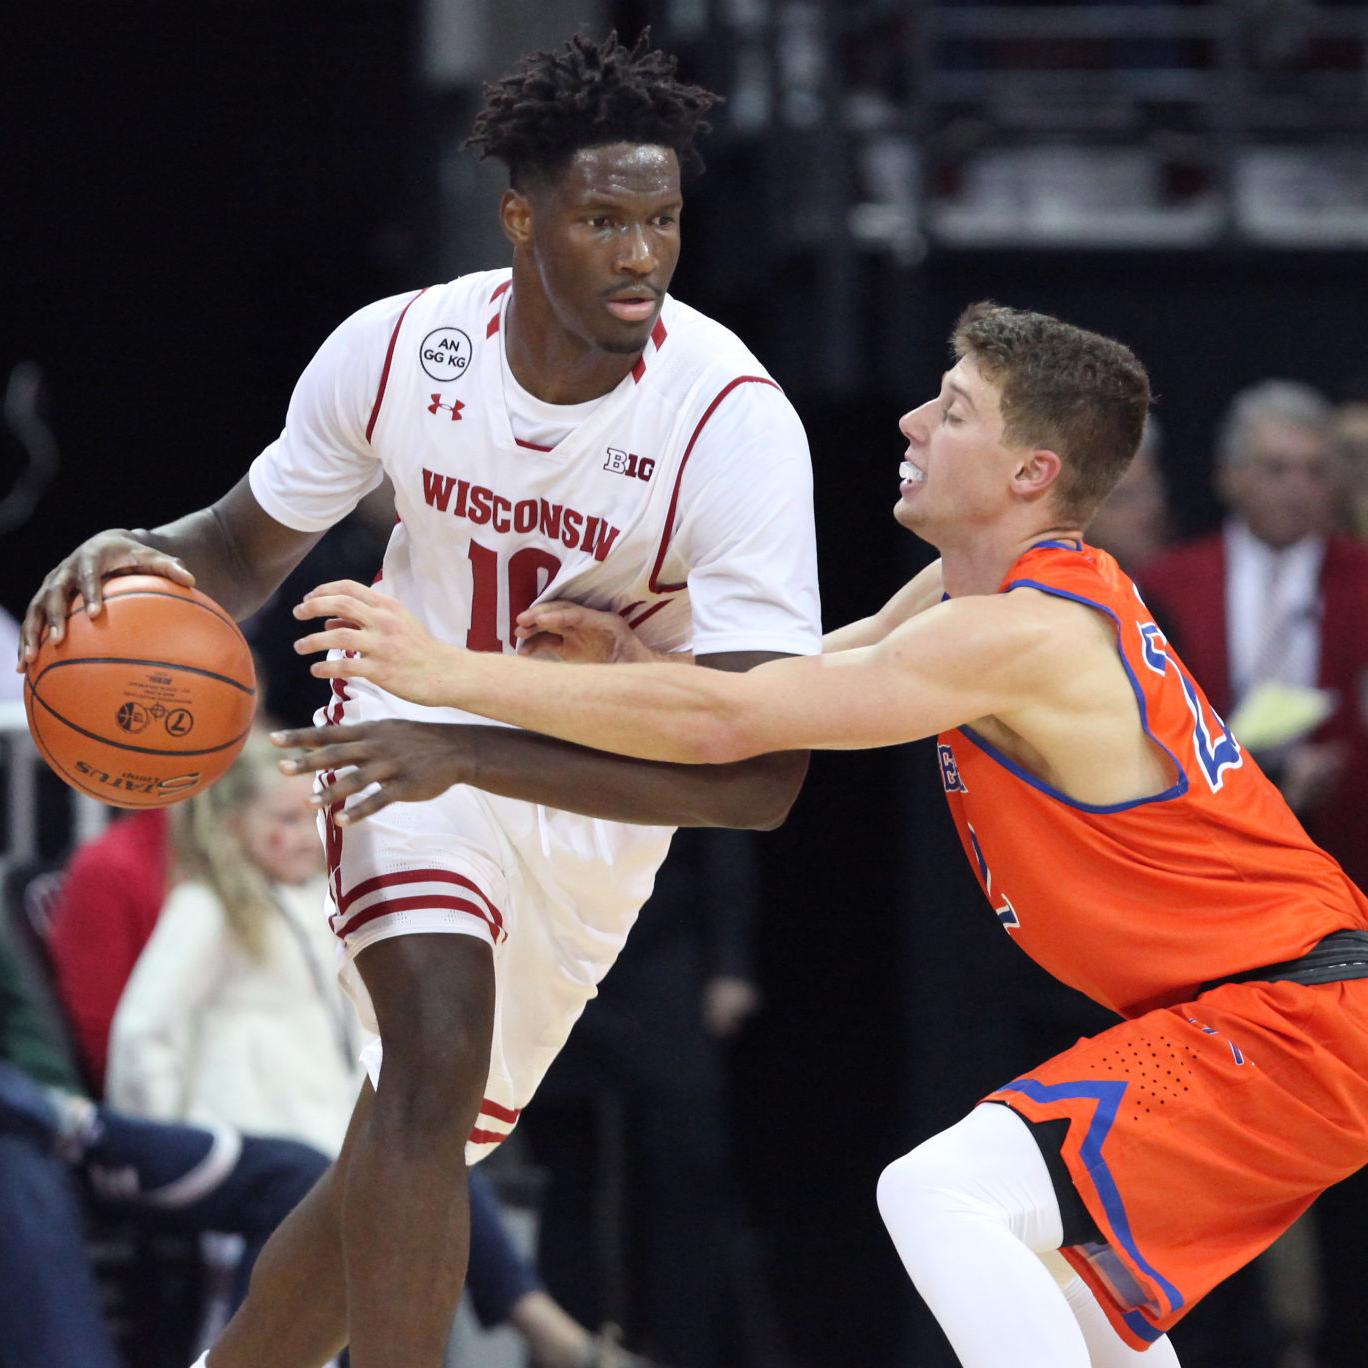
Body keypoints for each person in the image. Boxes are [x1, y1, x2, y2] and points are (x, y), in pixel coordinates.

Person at [284, 302, 1368, 1368]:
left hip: (1290, 1019)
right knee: (1054, 1286)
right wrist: (637, 671)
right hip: (1272, 1013)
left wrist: (447, 676)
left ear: (1030, 472)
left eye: (952, 411)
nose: (909, 424)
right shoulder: (974, 589)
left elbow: (734, 723)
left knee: (940, 1194)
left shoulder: (1023, 633)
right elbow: (799, 684)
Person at [17, 32, 819, 1368]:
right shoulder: (398, 352)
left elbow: (758, 776)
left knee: (383, 1175)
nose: (639, 255)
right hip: (396, 744)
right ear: (521, 214)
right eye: (602, 218)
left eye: (662, 220)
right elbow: (240, 547)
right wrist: (140, 556)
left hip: (591, 807)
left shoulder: (729, 421)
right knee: (432, 1063)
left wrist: (472, 748)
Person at [0, 929, 329, 1368]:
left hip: (63, 1122)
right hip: (26, 1131)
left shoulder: (324, 907)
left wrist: (56, 1099)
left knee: (301, 1178)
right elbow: (129, 1032)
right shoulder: (181, 898)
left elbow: (21, 1023)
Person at [1138, 381, 1368, 889]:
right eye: (1277, 469)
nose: (1297, 487)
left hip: (1344, 849)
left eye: (1315, 470)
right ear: (1230, 476)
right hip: (1210, 852)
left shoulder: (1362, 579)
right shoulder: (1167, 584)